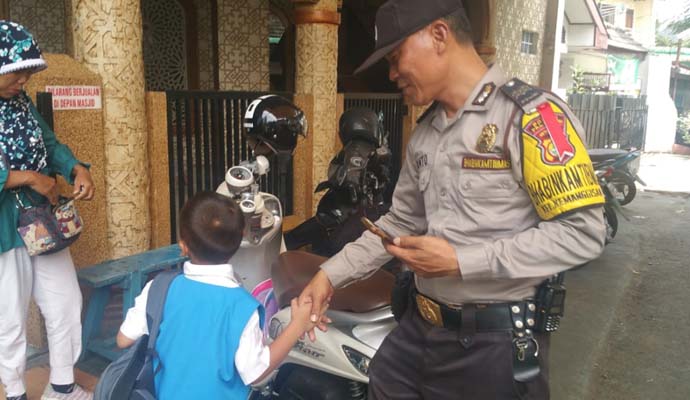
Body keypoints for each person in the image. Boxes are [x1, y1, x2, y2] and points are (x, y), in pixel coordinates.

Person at [299, 0, 607, 399]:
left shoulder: (531, 117)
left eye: (395, 57)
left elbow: (582, 232)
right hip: (417, 331)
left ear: (439, 35)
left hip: (493, 345)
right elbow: (398, 224)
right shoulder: (426, 132)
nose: (392, 74)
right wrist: (328, 275)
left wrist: (462, 261)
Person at [116, 191, 316, 399]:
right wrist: (297, 325)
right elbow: (255, 372)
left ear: (183, 246)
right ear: (241, 238)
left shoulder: (159, 288)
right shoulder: (242, 307)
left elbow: (123, 340)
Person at [0, 21, 96, 400]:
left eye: (28, 72)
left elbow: (50, 144)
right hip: (5, 230)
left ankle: (61, 387)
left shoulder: (21, 104)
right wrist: (29, 178)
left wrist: (76, 168)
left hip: (41, 222)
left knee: (65, 302)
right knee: (9, 318)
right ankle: (15, 391)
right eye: (16, 72)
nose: (23, 80)